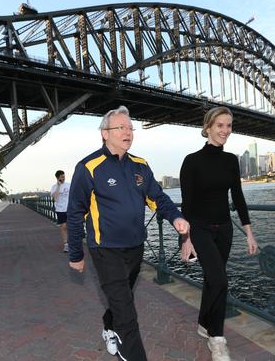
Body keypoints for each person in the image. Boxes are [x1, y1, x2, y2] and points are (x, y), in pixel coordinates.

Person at [67, 106, 190, 361]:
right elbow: (75, 213)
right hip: (105, 250)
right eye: (121, 127)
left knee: (121, 299)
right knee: (127, 313)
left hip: (135, 248)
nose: (128, 132)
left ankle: (109, 327)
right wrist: (76, 254)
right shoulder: (89, 167)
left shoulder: (140, 166)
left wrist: (175, 217)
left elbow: (157, 198)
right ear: (105, 133)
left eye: (130, 127)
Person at [179, 106, 258, 361]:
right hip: (200, 229)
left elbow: (238, 197)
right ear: (208, 128)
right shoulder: (191, 161)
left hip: (224, 229)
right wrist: (186, 239)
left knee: (213, 280)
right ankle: (217, 337)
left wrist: (249, 232)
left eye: (229, 126)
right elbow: (187, 204)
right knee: (220, 280)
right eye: (220, 125)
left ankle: (203, 322)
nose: (225, 131)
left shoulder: (231, 160)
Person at [50, 170, 70, 252]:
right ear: (58, 178)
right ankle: (66, 244)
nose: (63, 178)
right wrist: (58, 186)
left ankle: (72, 243)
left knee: (71, 226)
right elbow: (55, 197)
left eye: (64, 176)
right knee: (63, 227)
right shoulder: (54, 187)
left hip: (69, 208)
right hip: (60, 209)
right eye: (61, 177)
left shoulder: (69, 185)